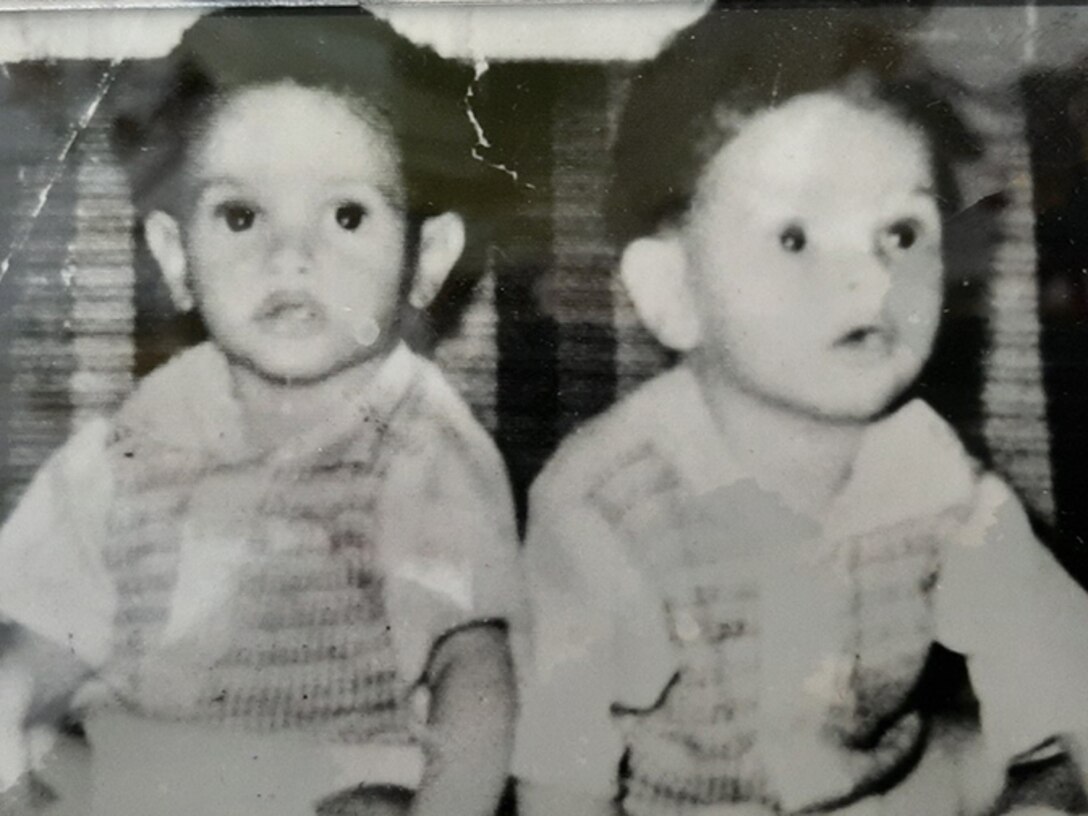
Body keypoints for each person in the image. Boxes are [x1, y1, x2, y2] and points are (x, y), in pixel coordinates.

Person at [513, 6, 1088, 816]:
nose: (867, 279)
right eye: (794, 238)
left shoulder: (932, 475)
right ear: (672, 293)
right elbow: (561, 782)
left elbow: (1067, 661)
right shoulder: (606, 507)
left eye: (900, 231)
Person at [0, 8, 520, 815]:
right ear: (177, 258)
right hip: (138, 778)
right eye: (241, 216)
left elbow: (474, 671)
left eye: (347, 215)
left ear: (428, 259)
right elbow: (44, 635)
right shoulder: (137, 437)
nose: (289, 255)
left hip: (332, 780)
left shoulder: (416, 439)